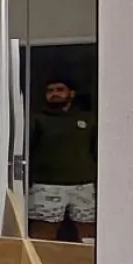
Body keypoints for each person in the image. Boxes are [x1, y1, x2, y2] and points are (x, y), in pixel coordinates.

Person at [28, 77, 96, 241]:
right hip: (46, 185)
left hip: (84, 185)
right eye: (50, 91)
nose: (54, 94)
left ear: (71, 93)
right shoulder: (36, 118)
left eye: (60, 90)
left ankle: (84, 258)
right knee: (42, 234)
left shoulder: (89, 119)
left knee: (88, 234)